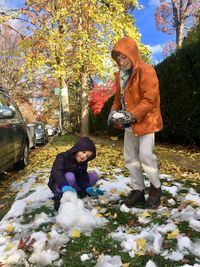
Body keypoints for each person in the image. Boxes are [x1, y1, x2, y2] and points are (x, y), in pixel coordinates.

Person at [108, 37, 163, 208]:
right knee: (130, 157)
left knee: (146, 156)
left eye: (124, 57)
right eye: (118, 58)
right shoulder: (120, 77)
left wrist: (132, 115)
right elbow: (118, 99)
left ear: (133, 55)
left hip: (146, 122)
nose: (121, 61)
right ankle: (138, 191)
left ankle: (155, 188)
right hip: (129, 123)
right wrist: (112, 113)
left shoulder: (146, 71)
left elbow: (149, 99)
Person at [48, 136, 104, 210]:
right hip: (59, 183)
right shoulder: (63, 157)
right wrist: (63, 185)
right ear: (78, 148)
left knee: (93, 176)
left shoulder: (83, 162)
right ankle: (59, 195)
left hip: (72, 183)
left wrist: (86, 187)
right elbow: (57, 171)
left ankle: (79, 191)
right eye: (83, 152)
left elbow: (82, 176)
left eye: (87, 156)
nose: (84, 156)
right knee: (69, 176)